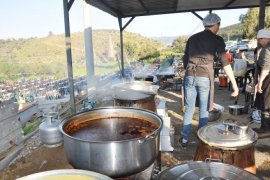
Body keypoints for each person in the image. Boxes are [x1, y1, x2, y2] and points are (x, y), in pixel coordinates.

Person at [181, 13, 239, 147]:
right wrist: (235, 86)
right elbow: (225, 63)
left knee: (189, 108)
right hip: (204, 77)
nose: (219, 27)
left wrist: (190, 70)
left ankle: (184, 138)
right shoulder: (217, 39)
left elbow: (185, 59)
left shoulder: (192, 38)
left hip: (190, 75)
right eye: (219, 25)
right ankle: (202, 138)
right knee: (204, 109)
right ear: (215, 25)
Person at [253, 29, 270, 133]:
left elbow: (266, 67)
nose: (259, 42)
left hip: (268, 80)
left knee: (265, 104)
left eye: (260, 39)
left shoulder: (267, 49)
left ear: (265, 38)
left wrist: (260, 83)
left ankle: (265, 128)